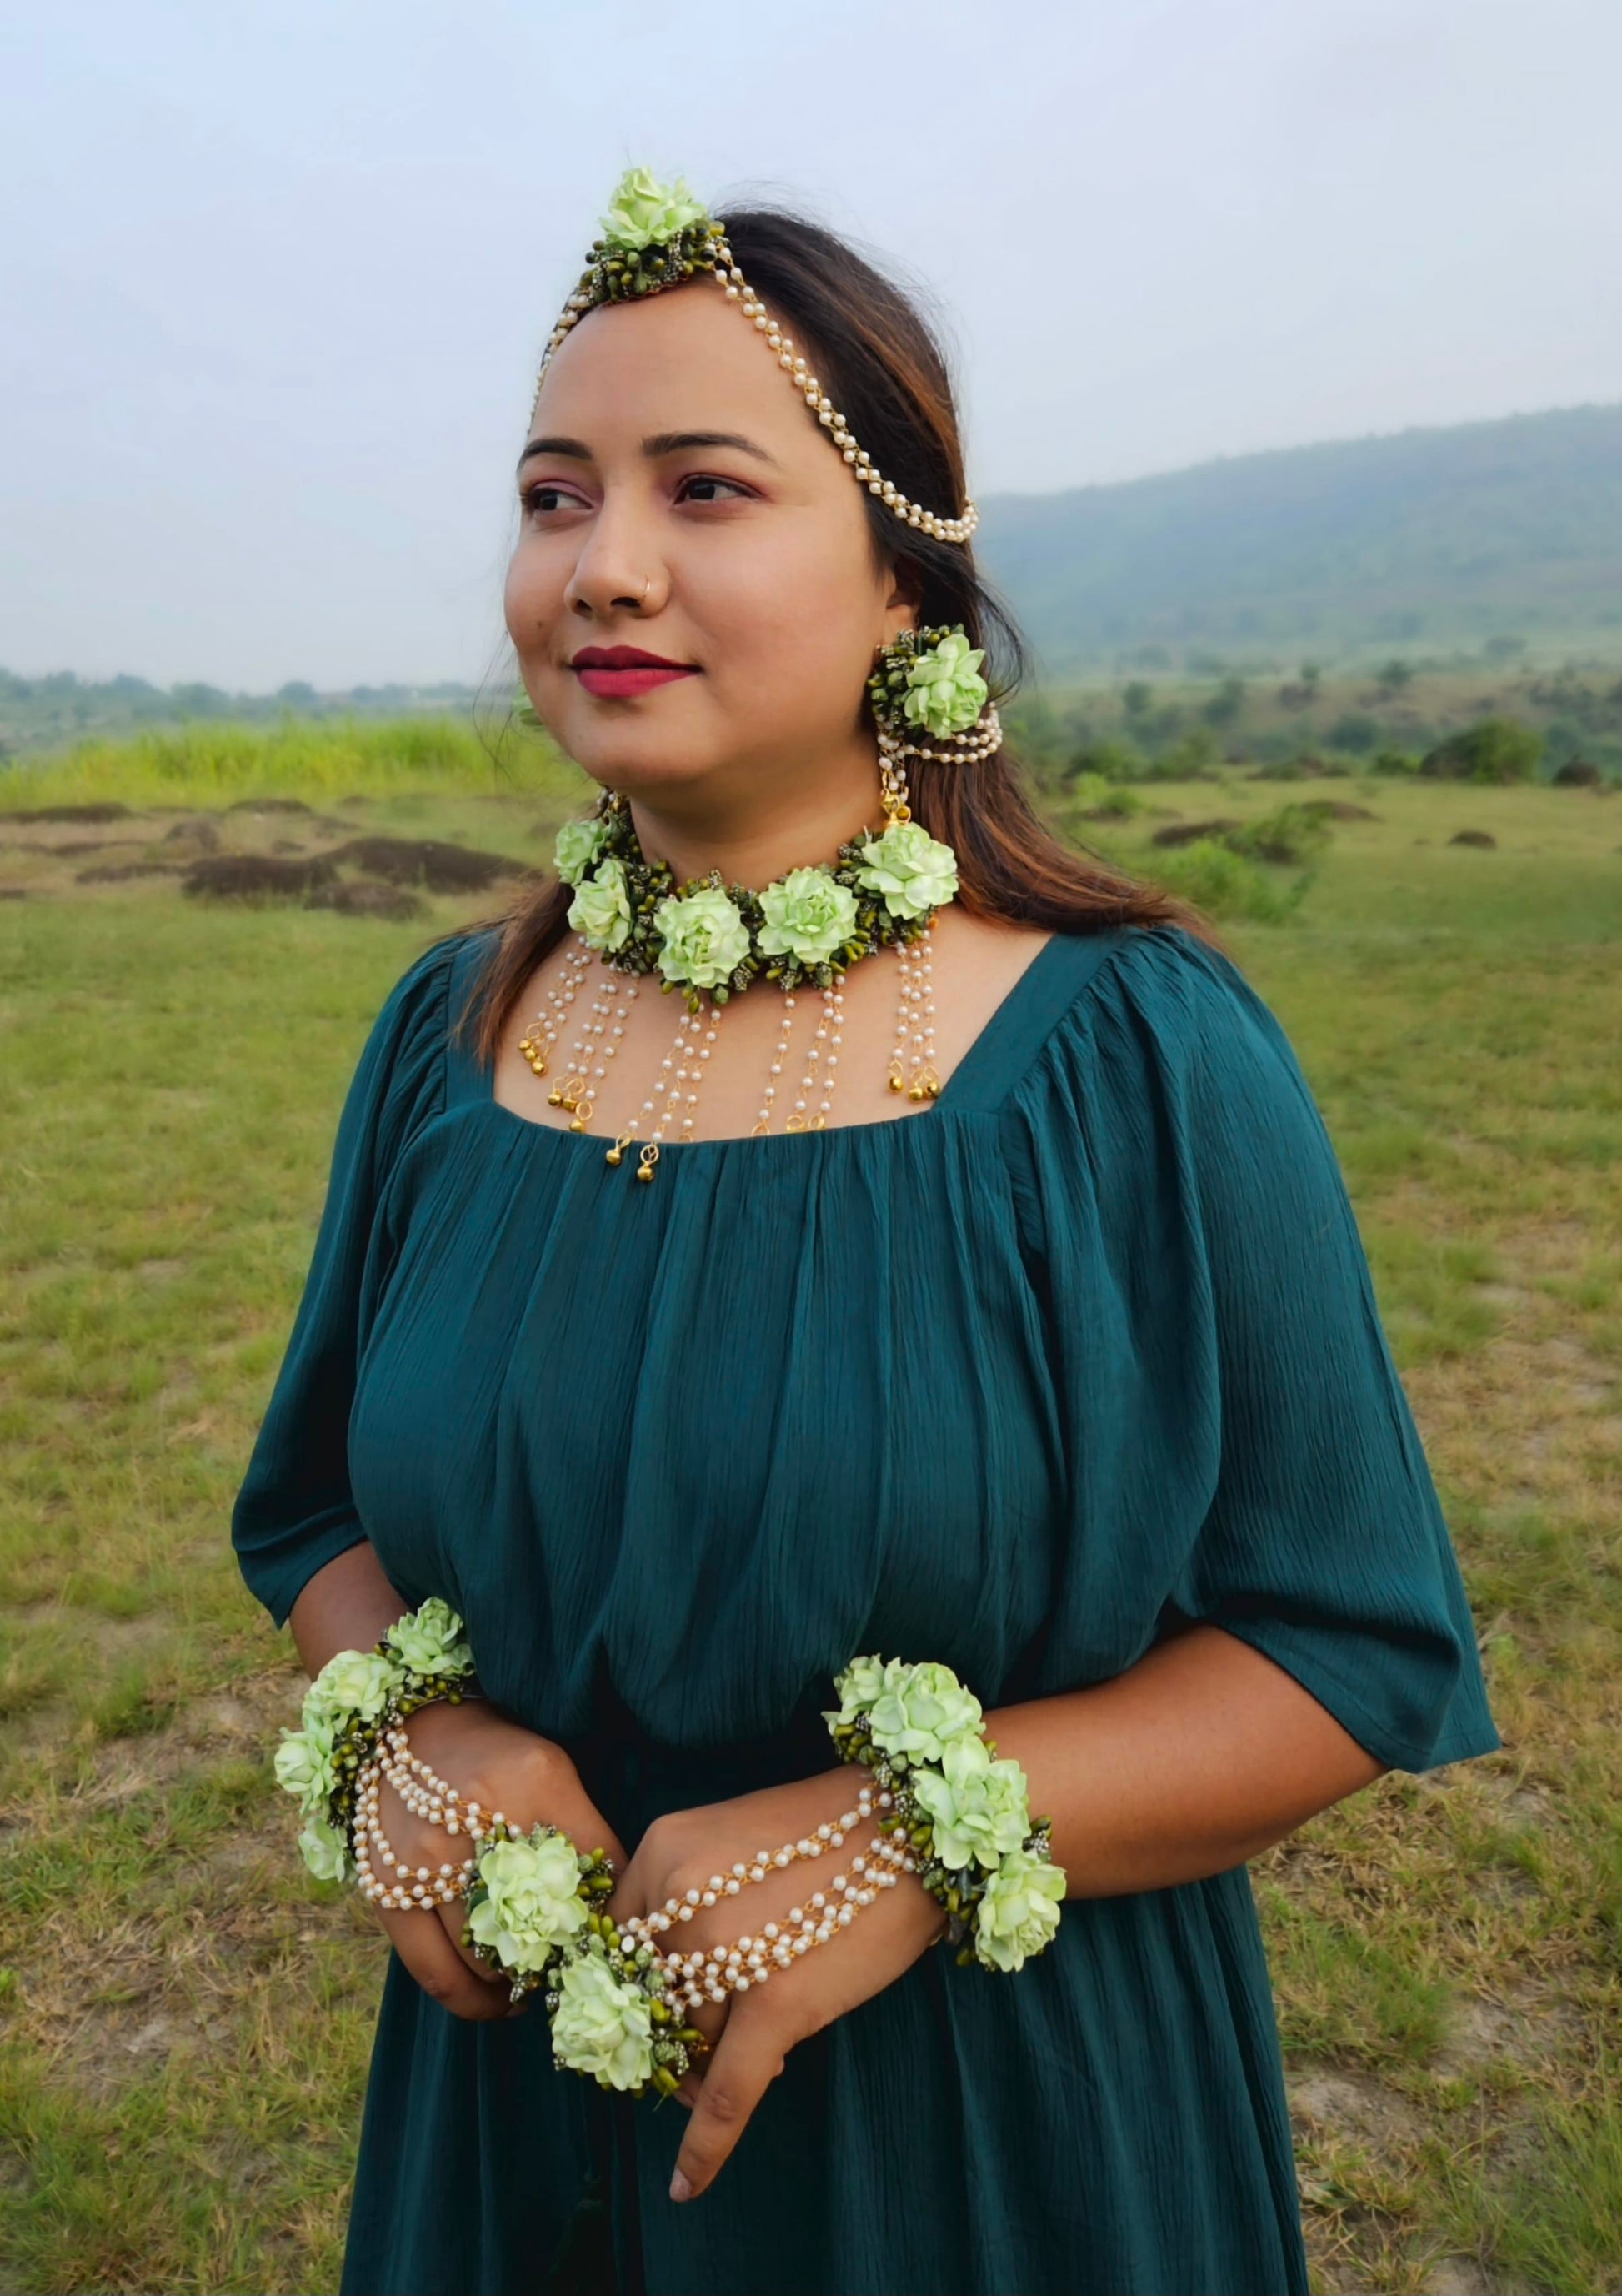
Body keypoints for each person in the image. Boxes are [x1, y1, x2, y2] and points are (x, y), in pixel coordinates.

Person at [230, 169, 1499, 2296]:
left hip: (990, 2158)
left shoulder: (1135, 1053)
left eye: (703, 489)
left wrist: (911, 1828)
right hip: (507, 2142)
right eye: (554, 495)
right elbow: (316, 1523)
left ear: (909, 582)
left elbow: (1348, 1642)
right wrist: (415, 1740)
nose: (601, 565)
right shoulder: (453, 1036)